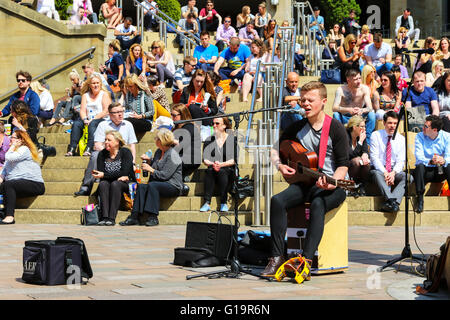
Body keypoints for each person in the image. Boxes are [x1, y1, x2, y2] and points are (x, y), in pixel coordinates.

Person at [260, 81, 348, 277]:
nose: (305, 104)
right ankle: (276, 257)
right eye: (303, 100)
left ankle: (305, 261)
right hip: (305, 182)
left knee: (318, 203)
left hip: (334, 185)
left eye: (310, 100)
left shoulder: (336, 128)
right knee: (277, 201)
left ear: (324, 101)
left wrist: (333, 181)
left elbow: (343, 165)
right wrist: (280, 165)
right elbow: (275, 149)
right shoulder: (297, 127)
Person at [120, 128, 183, 227]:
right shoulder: (158, 152)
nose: (155, 140)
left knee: (153, 185)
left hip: (173, 185)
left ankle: (153, 217)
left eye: (156, 138)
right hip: (159, 183)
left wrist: (150, 169)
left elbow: (165, 175)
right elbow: (155, 167)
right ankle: (134, 216)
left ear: (162, 140)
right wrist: (149, 161)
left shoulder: (173, 155)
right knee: (141, 186)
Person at [74, 102, 137, 196]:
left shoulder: (128, 125)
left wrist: (133, 162)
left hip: (123, 156)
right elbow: (97, 145)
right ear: (110, 114)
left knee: (126, 156)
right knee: (95, 154)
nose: (120, 114)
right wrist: (112, 148)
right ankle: (86, 186)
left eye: (121, 111)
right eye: (116, 112)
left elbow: (132, 146)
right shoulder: (103, 125)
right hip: (107, 154)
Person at [0, 130, 45, 225]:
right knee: (5, 185)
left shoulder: (24, 149)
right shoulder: (12, 153)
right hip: (17, 184)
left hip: (34, 184)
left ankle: (9, 216)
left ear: (20, 140)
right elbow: (3, 172)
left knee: (8, 184)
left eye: (13, 137)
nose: (10, 139)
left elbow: (9, 157)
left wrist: (12, 147)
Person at [93, 130, 136, 226]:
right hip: (109, 182)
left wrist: (105, 175)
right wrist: (108, 175)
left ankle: (111, 218)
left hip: (126, 182)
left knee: (115, 184)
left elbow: (124, 172)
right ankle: (104, 217)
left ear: (117, 142)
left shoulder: (125, 152)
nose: (106, 142)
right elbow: (102, 173)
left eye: (109, 140)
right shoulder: (102, 154)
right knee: (103, 184)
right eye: (105, 140)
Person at [65, 74, 111, 157]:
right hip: (88, 119)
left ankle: (89, 148)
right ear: (90, 85)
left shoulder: (104, 94)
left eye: (97, 83)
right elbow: (82, 111)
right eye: (93, 83)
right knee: (76, 124)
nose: (96, 85)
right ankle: (72, 149)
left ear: (100, 84)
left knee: (93, 123)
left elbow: (105, 111)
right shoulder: (85, 95)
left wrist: (93, 119)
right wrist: (85, 119)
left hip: (101, 119)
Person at [370, 111, 406, 213]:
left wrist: (393, 173)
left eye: (395, 123)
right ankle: (392, 201)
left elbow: (401, 161)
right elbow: (374, 158)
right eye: (390, 123)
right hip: (379, 169)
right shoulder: (376, 135)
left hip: (394, 170)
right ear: (384, 123)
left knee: (408, 177)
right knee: (377, 174)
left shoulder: (401, 139)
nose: (392, 126)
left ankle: (391, 203)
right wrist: (385, 172)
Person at [413, 115, 450, 213]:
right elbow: (419, 157)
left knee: (449, 165)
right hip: (427, 170)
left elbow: (449, 155)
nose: (423, 128)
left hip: (441, 170)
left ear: (434, 130)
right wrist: (430, 161)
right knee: (419, 166)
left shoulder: (446, 136)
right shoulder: (420, 136)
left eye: (426, 126)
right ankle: (420, 198)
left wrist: (443, 160)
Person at [200, 117, 236, 213]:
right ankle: (207, 202)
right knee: (209, 171)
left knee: (222, 172)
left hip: (228, 169)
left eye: (217, 123)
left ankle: (223, 202)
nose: (214, 125)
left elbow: (234, 160)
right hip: (213, 167)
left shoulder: (231, 139)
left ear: (224, 125)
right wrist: (214, 163)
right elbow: (205, 159)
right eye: (213, 123)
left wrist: (221, 164)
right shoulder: (209, 139)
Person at [332, 69, 376, 143]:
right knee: (336, 115)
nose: (359, 81)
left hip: (360, 116)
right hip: (346, 116)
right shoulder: (341, 90)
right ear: (348, 80)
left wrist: (362, 110)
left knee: (372, 114)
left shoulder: (364, 88)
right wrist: (349, 109)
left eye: (359, 78)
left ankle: (367, 141)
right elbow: (334, 108)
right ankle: (341, 139)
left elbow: (369, 107)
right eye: (355, 79)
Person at [171, 103, 201, 181]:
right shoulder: (176, 128)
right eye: (171, 115)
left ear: (183, 115)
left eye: (174, 115)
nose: (172, 118)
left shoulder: (189, 127)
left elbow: (181, 145)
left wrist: (169, 140)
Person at [346, 115, 370, 196]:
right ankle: (351, 186)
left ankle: (362, 186)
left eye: (364, 126)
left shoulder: (361, 136)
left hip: (357, 168)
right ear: (354, 127)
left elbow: (365, 149)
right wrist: (360, 142)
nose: (364, 129)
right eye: (362, 126)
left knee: (366, 162)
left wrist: (365, 154)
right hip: (346, 166)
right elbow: (350, 155)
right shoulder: (345, 136)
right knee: (357, 161)